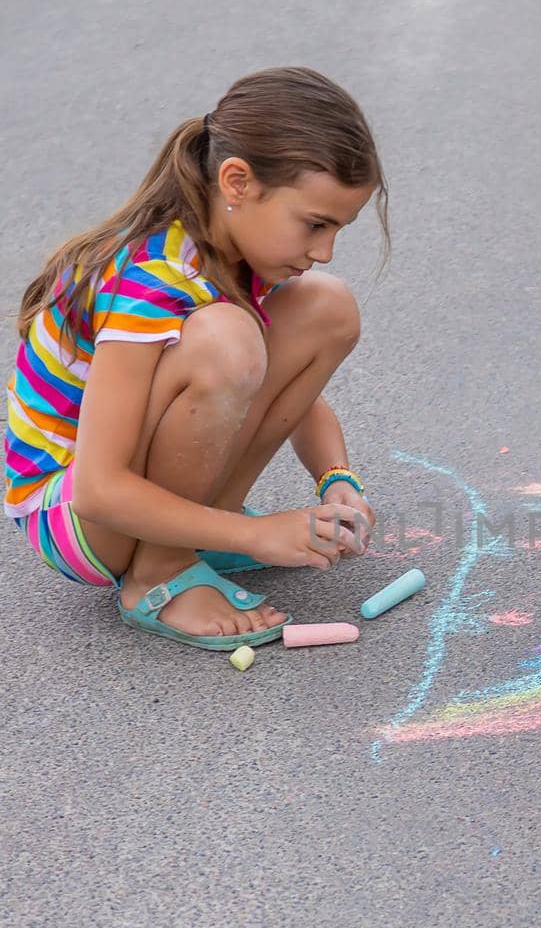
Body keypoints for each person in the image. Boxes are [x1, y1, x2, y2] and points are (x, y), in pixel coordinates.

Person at [5, 65, 384, 651]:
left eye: (337, 228)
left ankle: (189, 541)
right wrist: (255, 534)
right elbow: (97, 490)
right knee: (227, 341)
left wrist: (336, 479)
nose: (325, 250)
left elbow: (298, 399)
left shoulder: (234, 254)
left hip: (119, 494)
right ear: (236, 182)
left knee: (326, 307)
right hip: (74, 516)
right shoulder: (151, 277)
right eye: (314, 224)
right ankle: (159, 574)